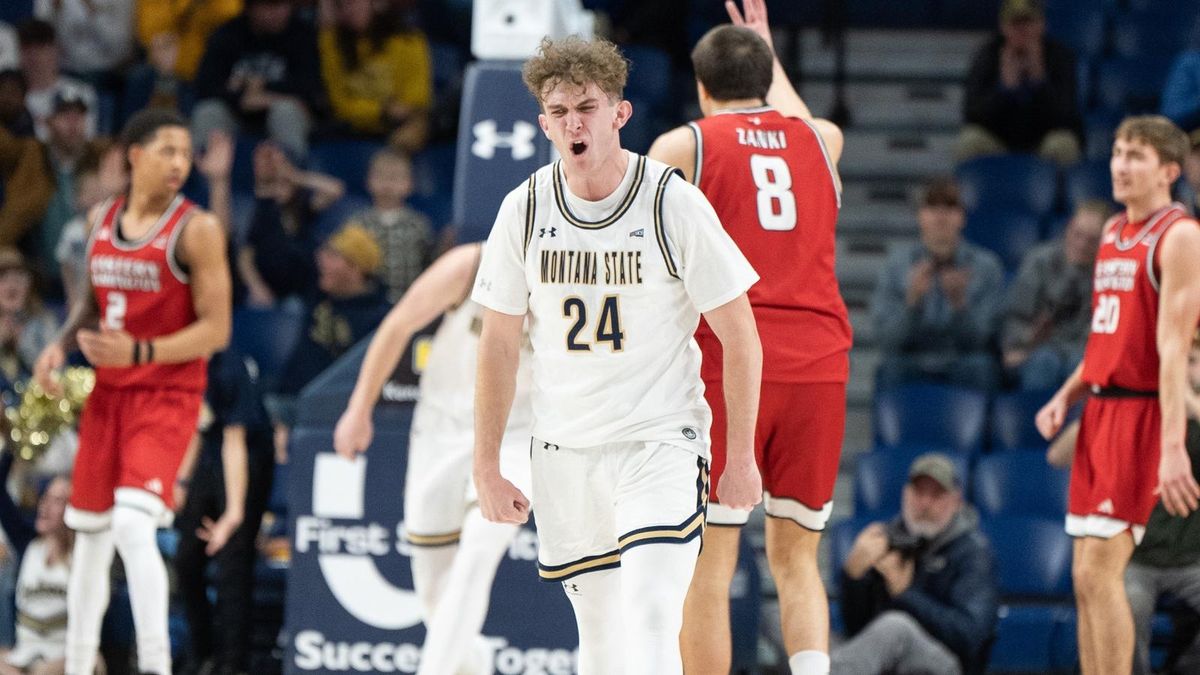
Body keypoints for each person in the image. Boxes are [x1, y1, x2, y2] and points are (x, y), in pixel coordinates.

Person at [471, 35, 763, 674]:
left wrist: (740, 455)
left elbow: (740, 333)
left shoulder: (671, 201)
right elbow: (496, 345)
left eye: (589, 106)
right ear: (544, 123)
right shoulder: (522, 210)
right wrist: (487, 464)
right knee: (601, 642)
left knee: (653, 614)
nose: (575, 122)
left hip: (660, 441)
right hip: (566, 449)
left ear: (619, 113)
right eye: (561, 110)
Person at [646, 1, 850, 672]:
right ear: (767, 77)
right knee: (798, 557)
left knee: (710, 562)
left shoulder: (685, 146)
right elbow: (788, 115)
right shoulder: (821, 140)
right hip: (819, 364)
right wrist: (765, 52)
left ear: (701, 87)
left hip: (729, 366)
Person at [32, 108, 233, 675]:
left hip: (167, 393)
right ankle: (76, 664)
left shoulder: (197, 229)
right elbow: (92, 305)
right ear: (134, 154)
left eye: (187, 153)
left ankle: (156, 666)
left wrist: (142, 352)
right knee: (89, 536)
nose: (180, 163)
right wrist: (61, 345)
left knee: (130, 523)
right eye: (167, 150)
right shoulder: (100, 218)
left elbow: (217, 330)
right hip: (109, 393)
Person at [1036, 115, 1200, 674]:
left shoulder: (1179, 236)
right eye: (1117, 153)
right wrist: (1068, 393)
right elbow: (1109, 337)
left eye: (1136, 156)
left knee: (1104, 573)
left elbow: (1173, 349)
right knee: (1084, 576)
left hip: (1141, 414)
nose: (1120, 166)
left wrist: (1173, 446)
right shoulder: (1111, 232)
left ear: (1169, 172)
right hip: (1101, 408)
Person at [334, 243, 532, 675]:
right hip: (442, 433)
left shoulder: (576, 277)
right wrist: (358, 408)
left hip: (517, 437)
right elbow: (398, 325)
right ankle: (473, 663)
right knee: (435, 598)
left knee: (480, 552)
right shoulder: (472, 264)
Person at [1046, 332, 1200, 675]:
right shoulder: (1136, 407)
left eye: (1192, 362)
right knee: (1116, 600)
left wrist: (1186, 404)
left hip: (1193, 558)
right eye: (1180, 361)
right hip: (1136, 558)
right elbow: (1057, 455)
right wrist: (1101, 410)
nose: (1183, 370)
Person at [833, 453, 998, 674]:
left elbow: (969, 637)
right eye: (918, 492)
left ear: (956, 501)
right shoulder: (887, 540)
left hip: (949, 663)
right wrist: (854, 576)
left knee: (895, 626)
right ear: (905, 494)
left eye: (936, 494)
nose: (925, 503)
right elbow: (857, 629)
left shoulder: (972, 553)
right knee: (804, 633)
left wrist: (905, 594)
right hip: (887, 658)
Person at [173, 348, 274, 675]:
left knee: (233, 561)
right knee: (187, 559)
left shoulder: (229, 367)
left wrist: (233, 514)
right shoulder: (179, 359)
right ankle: (201, 654)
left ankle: (231, 664)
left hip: (247, 456)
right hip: (212, 450)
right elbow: (198, 425)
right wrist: (182, 481)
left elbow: (236, 442)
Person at [870, 177, 1005, 391]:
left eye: (950, 207)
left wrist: (960, 306)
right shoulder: (897, 265)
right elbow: (888, 341)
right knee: (889, 368)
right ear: (920, 216)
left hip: (963, 359)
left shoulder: (986, 266)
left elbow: (984, 342)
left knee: (983, 367)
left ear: (962, 217)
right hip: (912, 359)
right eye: (932, 207)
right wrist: (912, 303)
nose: (941, 216)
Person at [192, 0, 324, 160]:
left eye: (285, 5)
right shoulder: (228, 34)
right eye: (271, 6)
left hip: (285, 109)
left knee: (285, 111)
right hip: (237, 112)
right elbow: (206, 85)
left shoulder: (302, 34)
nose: (280, 13)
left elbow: (310, 86)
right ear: (251, 8)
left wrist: (265, 93)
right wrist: (241, 99)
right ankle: (206, 179)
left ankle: (290, 176)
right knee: (208, 112)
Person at [1002, 200, 1110, 391]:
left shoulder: (1108, 273)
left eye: (1092, 240)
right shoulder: (1039, 262)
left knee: (1080, 364)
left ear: (1104, 241)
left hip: (1080, 352)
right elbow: (1014, 318)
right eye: (1077, 235)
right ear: (1068, 228)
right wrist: (1027, 340)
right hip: (1035, 350)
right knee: (1044, 362)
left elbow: (1100, 334)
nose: (1082, 245)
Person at [958, 0, 1081, 166]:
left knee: (1063, 144)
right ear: (1003, 27)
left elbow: (1067, 117)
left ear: (1041, 24)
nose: (1022, 30)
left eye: (1028, 22)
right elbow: (972, 114)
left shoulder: (1060, 57)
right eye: (1015, 23)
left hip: (1042, 141)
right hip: (999, 140)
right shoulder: (987, 56)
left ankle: (1058, 191)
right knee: (969, 141)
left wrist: (1039, 81)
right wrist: (1004, 90)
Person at [316, 0, 432, 153]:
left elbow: (416, 101)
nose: (347, 10)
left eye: (352, 3)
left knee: (417, 126)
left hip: (401, 127)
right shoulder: (331, 42)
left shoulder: (409, 40)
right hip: (350, 130)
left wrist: (394, 113)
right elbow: (341, 104)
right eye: (340, 5)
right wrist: (382, 111)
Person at [0, 455, 74, 675]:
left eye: (58, 501)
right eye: (45, 498)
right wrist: (15, 442)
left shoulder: (84, 555)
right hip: (22, 658)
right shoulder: (28, 545)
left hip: (64, 659)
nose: (46, 506)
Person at [340, 148, 433, 303]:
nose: (387, 184)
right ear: (368, 181)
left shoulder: (418, 224)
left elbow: (429, 263)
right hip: (367, 303)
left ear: (409, 184)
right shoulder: (358, 223)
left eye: (395, 178)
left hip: (409, 301)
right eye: (381, 177)